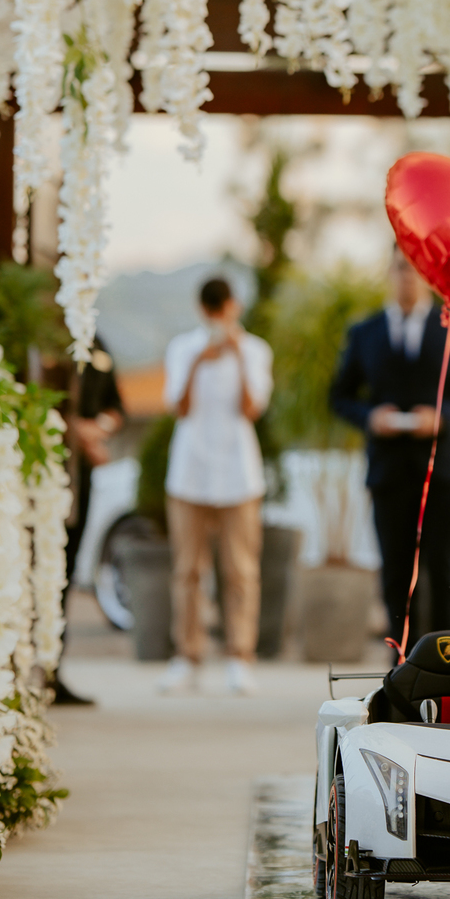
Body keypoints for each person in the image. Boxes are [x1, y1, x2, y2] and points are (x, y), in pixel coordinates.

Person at [330, 247, 450, 656]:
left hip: (444, 470)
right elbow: (340, 396)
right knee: (396, 573)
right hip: (389, 471)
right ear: (390, 271)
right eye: (402, 267)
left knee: (445, 570)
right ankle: (401, 666)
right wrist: (370, 416)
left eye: (418, 270)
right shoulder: (365, 332)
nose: (409, 277)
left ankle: (447, 663)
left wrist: (441, 417)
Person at [159, 276, 273, 696]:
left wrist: (237, 354)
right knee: (187, 569)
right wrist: (198, 362)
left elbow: (251, 407)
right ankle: (186, 656)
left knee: (240, 570)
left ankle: (239, 657)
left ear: (234, 307)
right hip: (190, 474)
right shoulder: (182, 348)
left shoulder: (256, 350)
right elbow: (179, 407)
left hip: (238, 476)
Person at [56, 337, 124, 705]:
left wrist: (98, 428)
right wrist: (75, 431)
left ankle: (54, 668)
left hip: (81, 481)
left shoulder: (98, 339)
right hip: (45, 470)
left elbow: (116, 405)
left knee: (65, 573)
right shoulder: (44, 333)